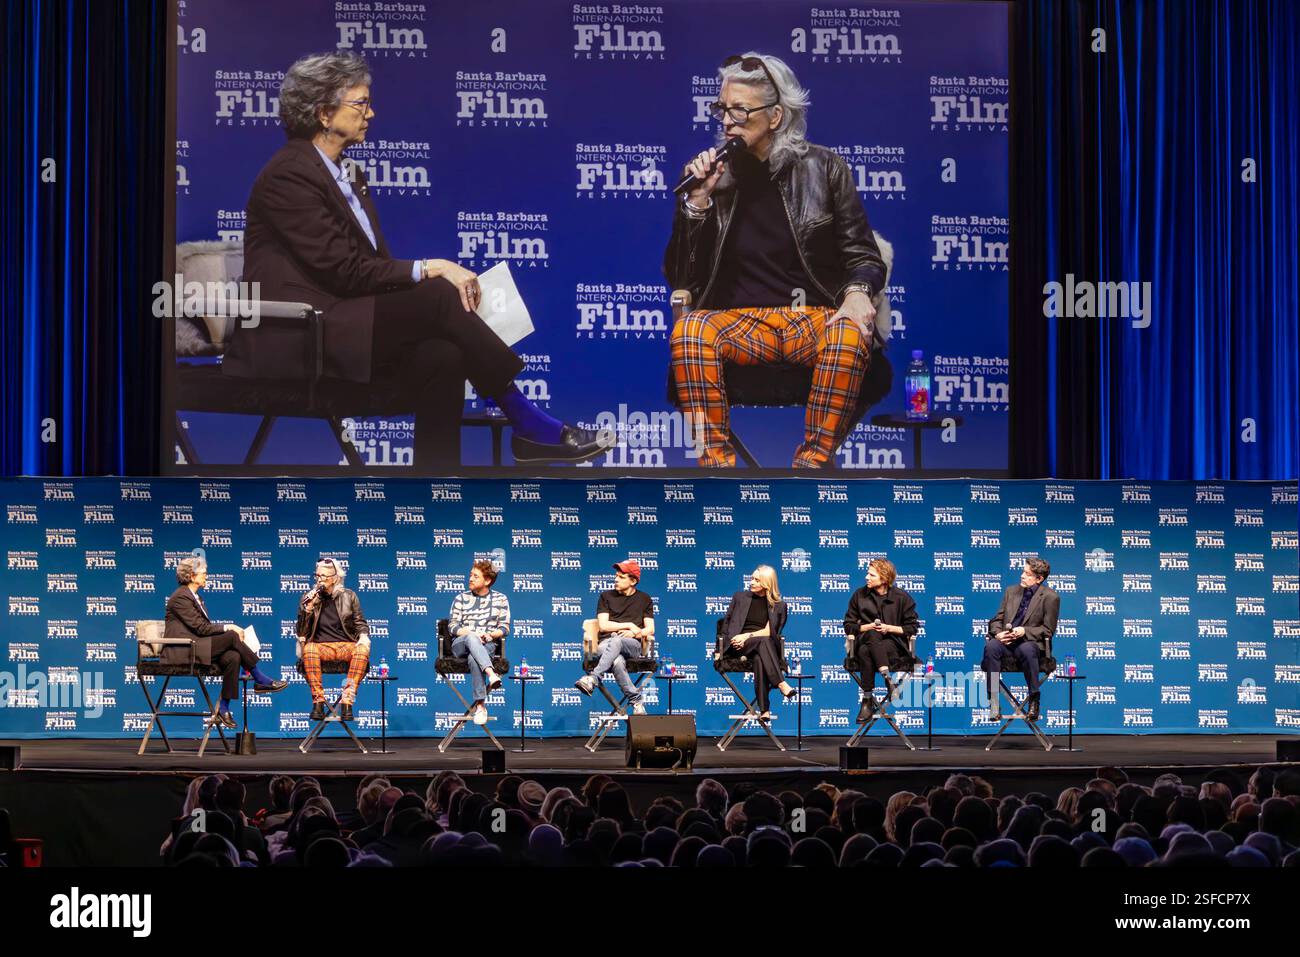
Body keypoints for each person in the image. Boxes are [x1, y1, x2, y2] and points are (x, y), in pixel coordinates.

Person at [229, 51, 609, 469]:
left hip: (340, 319)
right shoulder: (289, 174)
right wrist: (430, 268)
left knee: (442, 355)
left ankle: (437, 490)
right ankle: (527, 419)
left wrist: (422, 278)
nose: (371, 113)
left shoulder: (347, 173)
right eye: (360, 103)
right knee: (439, 295)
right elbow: (342, 270)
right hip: (302, 333)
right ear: (323, 113)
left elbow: (365, 268)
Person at [664, 52, 887, 468]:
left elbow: (864, 255)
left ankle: (811, 466)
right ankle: (717, 470)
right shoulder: (714, 178)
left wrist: (857, 293)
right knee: (691, 332)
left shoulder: (825, 167)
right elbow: (680, 276)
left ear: (776, 116)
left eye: (740, 110)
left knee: (848, 335)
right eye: (722, 109)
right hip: (740, 323)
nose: (727, 121)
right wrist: (697, 204)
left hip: (813, 319)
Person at [163, 556, 287, 728]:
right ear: (192, 576)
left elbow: (203, 628)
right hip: (183, 650)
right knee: (231, 636)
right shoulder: (180, 597)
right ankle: (259, 678)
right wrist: (229, 627)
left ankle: (224, 707)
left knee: (233, 656)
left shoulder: (196, 597)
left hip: (197, 645)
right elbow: (201, 628)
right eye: (204, 573)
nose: (207, 576)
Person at [843, 558, 919, 723]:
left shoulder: (902, 597)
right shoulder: (859, 595)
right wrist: (868, 626)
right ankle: (888, 680)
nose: (866, 577)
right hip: (865, 642)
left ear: (884, 578)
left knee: (866, 650)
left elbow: (912, 628)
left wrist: (888, 628)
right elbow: (848, 626)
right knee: (870, 637)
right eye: (867, 573)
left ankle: (867, 699)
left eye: (871, 575)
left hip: (893, 647)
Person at [574, 559, 655, 714]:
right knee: (617, 660)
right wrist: (629, 625)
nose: (616, 579)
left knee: (617, 642)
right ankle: (636, 702)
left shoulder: (645, 599)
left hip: (632, 644)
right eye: (616, 576)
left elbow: (650, 629)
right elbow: (603, 625)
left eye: (621, 577)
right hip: (606, 643)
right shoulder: (606, 596)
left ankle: (593, 678)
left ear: (633, 581)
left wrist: (634, 632)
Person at [984, 558, 1060, 720]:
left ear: (1039, 578)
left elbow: (1048, 630)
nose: (1022, 576)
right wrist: (998, 633)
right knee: (991, 647)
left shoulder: (1050, 597)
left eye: (1027, 574)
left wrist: (1024, 631)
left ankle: (1034, 699)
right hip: (1007, 642)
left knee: (1027, 649)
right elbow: (997, 619)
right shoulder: (1011, 591)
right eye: (1023, 572)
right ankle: (994, 702)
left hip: (1029, 644)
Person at [296, 557, 370, 721]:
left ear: (335, 578)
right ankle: (318, 702)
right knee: (308, 649)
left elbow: (360, 623)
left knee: (362, 649)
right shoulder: (308, 598)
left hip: (345, 646)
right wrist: (308, 609)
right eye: (317, 576)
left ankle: (347, 701)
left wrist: (364, 636)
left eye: (324, 576)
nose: (319, 580)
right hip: (321, 648)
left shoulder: (349, 596)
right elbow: (301, 632)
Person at [720, 565, 793, 719]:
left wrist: (746, 636)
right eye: (752, 578)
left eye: (757, 580)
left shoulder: (779, 605)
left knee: (761, 656)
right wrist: (720, 648)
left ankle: (764, 710)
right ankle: (781, 683)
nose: (751, 582)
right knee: (763, 643)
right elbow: (725, 623)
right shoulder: (740, 597)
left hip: (761, 646)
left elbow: (769, 631)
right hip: (739, 645)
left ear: (767, 583)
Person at [447, 559, 511, 726]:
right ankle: (491, 674)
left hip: (486, 644)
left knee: (474, 658)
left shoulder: (501, 599)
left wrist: (490, 635)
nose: (470, 579)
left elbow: (504, 628)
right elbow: (453, 626)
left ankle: (480, 706)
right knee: (471, 638)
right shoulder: (460, 598)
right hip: (461, 643)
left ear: (487, 580)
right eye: (470, 575)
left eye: (475, 576)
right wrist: (473, 634)